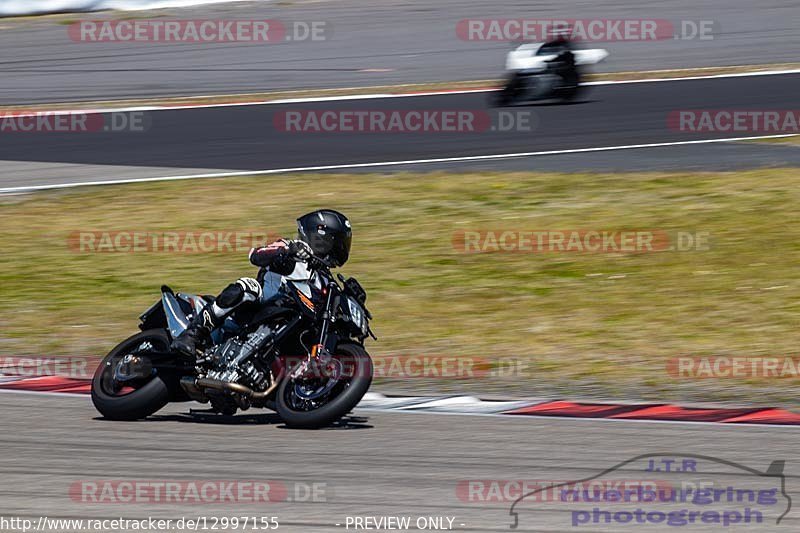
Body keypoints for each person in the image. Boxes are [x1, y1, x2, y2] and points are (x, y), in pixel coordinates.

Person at [170, 209, 352, 358]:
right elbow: (255, 255)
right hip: (260, 306)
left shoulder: (325, 279)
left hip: (290, 321)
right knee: (248, 287)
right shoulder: (290, 247)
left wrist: (351, 298)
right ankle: (192, 335)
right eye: (333, 242)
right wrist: (288, 251)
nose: (337, 248)